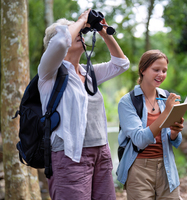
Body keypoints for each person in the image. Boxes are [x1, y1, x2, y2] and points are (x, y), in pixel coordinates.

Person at [38, 9, 130, 200]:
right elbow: (62, 41)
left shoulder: (89, 72)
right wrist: (81, 20)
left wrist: (104, 32)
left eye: (81, 31)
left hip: (101, 152)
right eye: (76, 32)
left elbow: (121, 64)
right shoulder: (49, 73)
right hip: (70, 154)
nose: (80, 34)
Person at [116, 50, 184, 200]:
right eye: (156, 69)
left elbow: (176, 141)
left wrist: (174, 132)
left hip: (167, 167)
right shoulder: (127, 102)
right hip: (139, 169)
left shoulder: (166, 97)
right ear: (142, 70)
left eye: (164, 70)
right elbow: (139, 140)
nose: (161, 74)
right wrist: (166, 112)